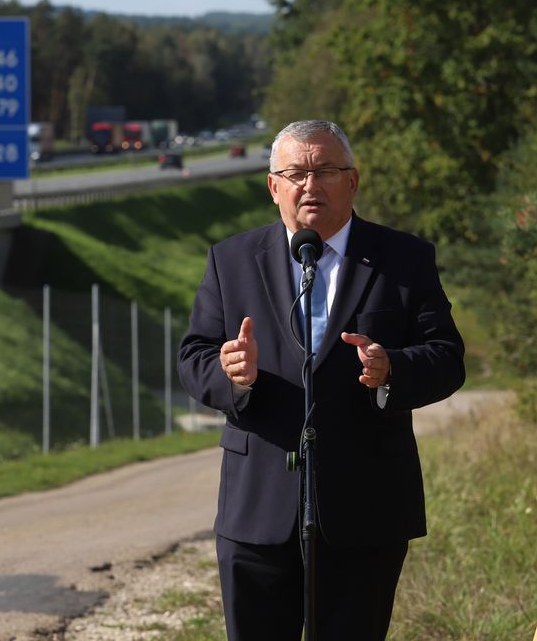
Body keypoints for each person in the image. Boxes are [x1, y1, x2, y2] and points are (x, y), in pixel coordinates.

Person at [178, 120, 465, 640]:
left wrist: (391, 368)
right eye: (295, 173)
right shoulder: (232, 260)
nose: (310, 185)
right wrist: (230, 373)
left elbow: (446, 356)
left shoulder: (404, 259)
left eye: (326, 171)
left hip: (366, 507)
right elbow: (194, 355)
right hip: (258, 508)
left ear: (352, 182)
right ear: (273, 187)